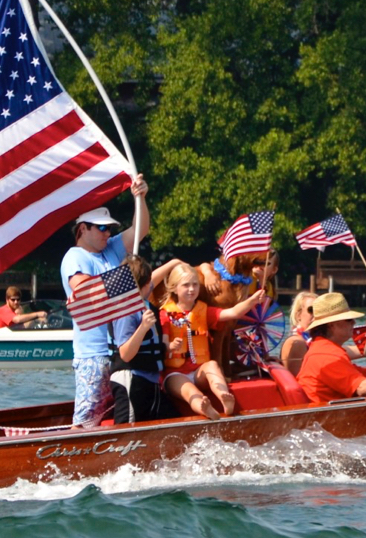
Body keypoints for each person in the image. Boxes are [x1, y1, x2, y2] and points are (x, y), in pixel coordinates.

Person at [62, 174, 150, 428]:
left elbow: (140, 230)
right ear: (82, 229)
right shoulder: (74, 257)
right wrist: (130, 284)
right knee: (86, 419)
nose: (107, 232)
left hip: (119, 350)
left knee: (114, 412)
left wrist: (140, 197)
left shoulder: (111, 247)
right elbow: (84, 291)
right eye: (101, 228)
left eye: (109, 227)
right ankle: (74, 460)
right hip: (94, 353)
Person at [159, 263, 266, 420]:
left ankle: (224, 396)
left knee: (212, 365)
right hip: (175, 373)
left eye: (195, 284)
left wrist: (252, 300)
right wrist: (171, 346)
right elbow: (162, 345)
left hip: (199, 371)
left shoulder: (204, 311)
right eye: (186, 285)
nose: (191, 289)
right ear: (174, 288)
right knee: (190, 392)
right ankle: (204, 407)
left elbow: (233, 312)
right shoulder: (164, 314)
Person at [110, 255, 183, 424]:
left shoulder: (145, 305)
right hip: (131, 380)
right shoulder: (125, 311)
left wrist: (168, 347)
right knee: (125, 433)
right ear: (143, 286)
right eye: (149, 282)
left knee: (174, 421)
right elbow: (125, 354)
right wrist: (142, 327)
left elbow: (150, 344)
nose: (151, 285)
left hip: (150, 381)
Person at [279, 285, 366, 376]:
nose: (316, 315)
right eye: (311, 310)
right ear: (298, 315)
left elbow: (362, 350)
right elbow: (300, 385)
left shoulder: (320, 344)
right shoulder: (296, 342)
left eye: (320, 311)